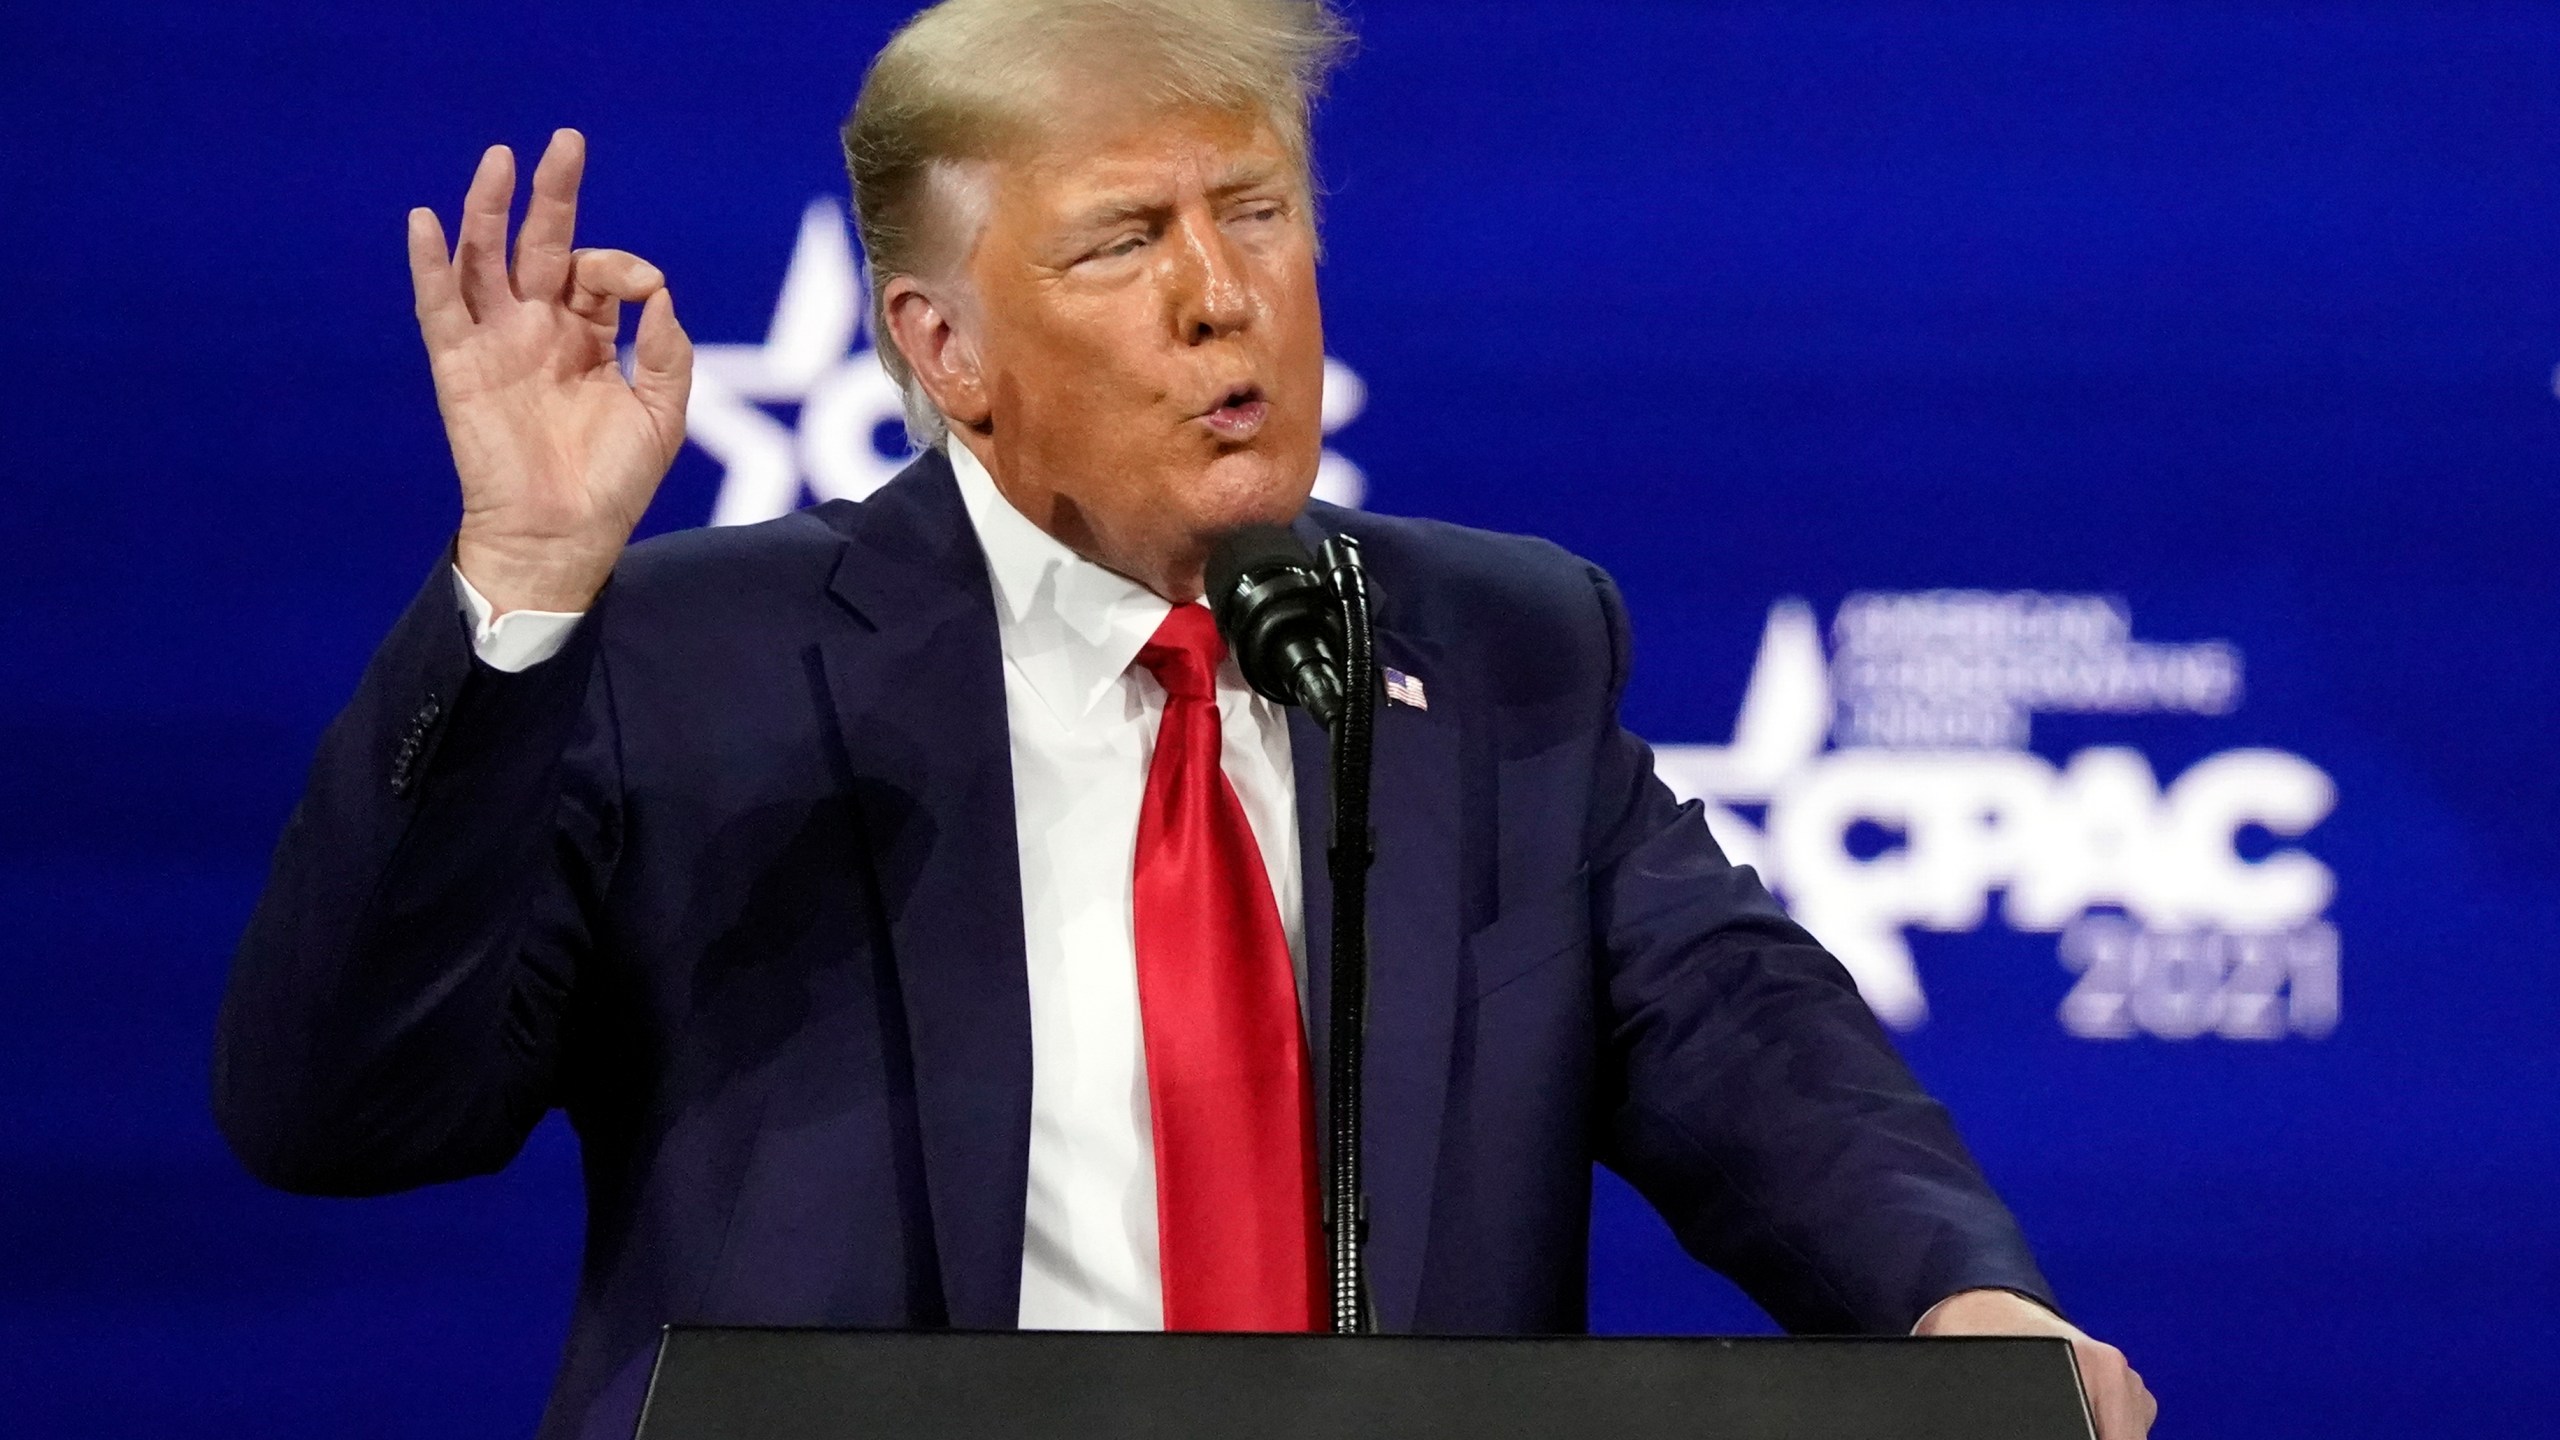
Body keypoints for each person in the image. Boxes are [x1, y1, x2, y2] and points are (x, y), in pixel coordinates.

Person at [212, 1, 2156, 1436]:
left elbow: (1740, 1036)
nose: (1223, 298)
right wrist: (525, 592)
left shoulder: (1495, 650)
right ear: (940, 348)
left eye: (1256, 212)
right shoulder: (691, 663)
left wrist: (1951, 1297)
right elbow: (339, 1115)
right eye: (1123, 241)